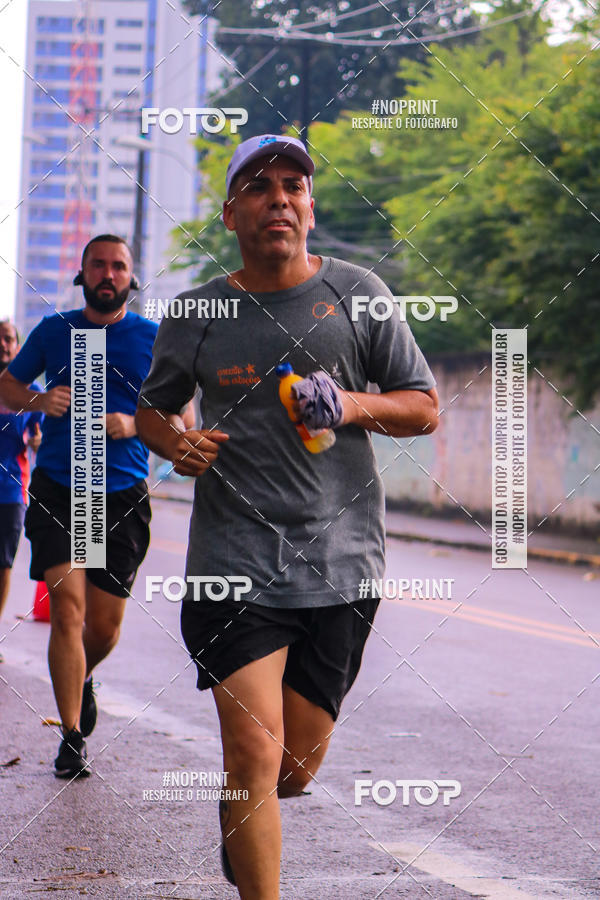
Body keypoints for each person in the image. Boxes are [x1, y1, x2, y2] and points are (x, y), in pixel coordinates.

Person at [135, 134, 439, 899]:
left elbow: (423, 407)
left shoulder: (359, 293)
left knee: (292, 769)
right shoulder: (199, 309)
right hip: (231, 567)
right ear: (232, 211)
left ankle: (246, 823)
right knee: (253, 756)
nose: (280, 197)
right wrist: (178, 441)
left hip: (341, 566)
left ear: (309, 206)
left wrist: (351, 403)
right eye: (261, 186)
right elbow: (151, 410)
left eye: (294, 185)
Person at [0, 234, 193, 778]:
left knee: (103, 628)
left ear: (132, 278)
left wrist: (136, 422)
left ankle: (83, 676)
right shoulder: (55, 331)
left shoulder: (151, 338)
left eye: (119, 267)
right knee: (67, 611)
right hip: (63, 486)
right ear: (82, 275)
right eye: (98, 266)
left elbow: (183, 417)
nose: (108, 275)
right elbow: (8, 385)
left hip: (122, 492)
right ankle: (71, 736)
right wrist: (40, 399)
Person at [0, 320, 43, 661]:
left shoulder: (30, 390)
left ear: (17, 346)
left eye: (8, 338)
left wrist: (39, 441)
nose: (3, 344)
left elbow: (40, 439)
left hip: (12, 492)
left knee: (3, 564)